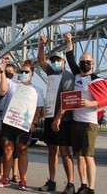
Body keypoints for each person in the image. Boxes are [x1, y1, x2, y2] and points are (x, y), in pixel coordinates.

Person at [0, 60, 44, 191]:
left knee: (22, 150)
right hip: (9, 121)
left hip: (24, 124)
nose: (23, 74)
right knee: (7, 150)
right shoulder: (12, 84)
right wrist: (1, 67)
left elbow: (39, 108)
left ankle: (23, 179)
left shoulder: (36, 90)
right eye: (22, 72)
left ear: (32, 74)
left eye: (26, 72)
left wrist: (34, 123)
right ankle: (5, 177)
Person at [65, 32, 103, 194]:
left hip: (89, 122)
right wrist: (69, 41)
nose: (85, 64)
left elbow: (104, 100)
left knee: (88, 157)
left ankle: (92, 189)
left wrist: (89, 103)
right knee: (79, 156)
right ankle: (84, 185)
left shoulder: (96, 79)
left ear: (93, 64)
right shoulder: (77, 75)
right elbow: (70, 58)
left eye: (88, 62)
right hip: (76, 122)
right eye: (83, 62)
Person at [37, 36, 75, 194]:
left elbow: (67, 100)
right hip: (50, 116)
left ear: (63, 62)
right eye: (53, 60)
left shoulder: (68, 76)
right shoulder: (51, 72)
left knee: (65, 151)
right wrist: (41, 46)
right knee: (52, 150)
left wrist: (58, 119)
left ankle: (71, 184)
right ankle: (52, 181)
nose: (54, 62)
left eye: (58, 60)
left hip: (63, 119)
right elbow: (40, 60)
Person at [0, 63, 20, 183]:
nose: (7, 72)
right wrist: (0, 68)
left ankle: (15, 174)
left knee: (14, 150)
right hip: (1, 118)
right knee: (3, 149)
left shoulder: (17, 85)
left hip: (13, 119)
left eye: (10, 71)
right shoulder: (2, 83)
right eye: (6, 70)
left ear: (14, 73)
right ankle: (3, 172)